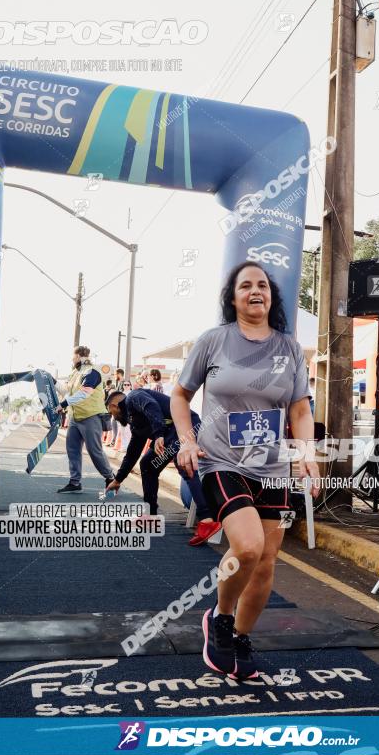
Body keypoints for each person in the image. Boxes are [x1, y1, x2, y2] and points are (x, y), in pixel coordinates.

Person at [171, 261, 319, 680]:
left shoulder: (289, 348)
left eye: (263, 285)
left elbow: (300, 408)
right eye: (246, 285)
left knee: (267, 563)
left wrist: (306, 450)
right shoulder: (214, 341)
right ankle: (219, 617)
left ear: (271, 296)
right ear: (233, 298)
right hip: (221, 461)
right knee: (249, 546)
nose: (256, 291)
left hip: (270, 467)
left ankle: (239, 636)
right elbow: (180, 396)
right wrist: (186, 439)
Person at [105, 388, 221, 545]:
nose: (112, 416)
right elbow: (132, 452)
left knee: (182, 463)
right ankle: (151, 517)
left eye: (110, 412)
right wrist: (118, 479)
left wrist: (159, 434)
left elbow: (152, 406)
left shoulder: (133, 397)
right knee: (147, 464)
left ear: (114, 405)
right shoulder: (135, 423)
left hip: (186, 427)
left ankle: (207, 521)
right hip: (169, 434)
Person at [56, 345, 116, 493]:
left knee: (94, 451)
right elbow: (66, 390)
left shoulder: (92, 371)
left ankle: (111, 478)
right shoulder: (75, 373)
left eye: (73, 356)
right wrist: (52, 380)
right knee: (73, 449)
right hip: (75, 418)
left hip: (91, 416)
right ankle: (75, 482)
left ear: (80, 357)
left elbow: (84, 393)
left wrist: (63, 404)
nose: (72, 359)